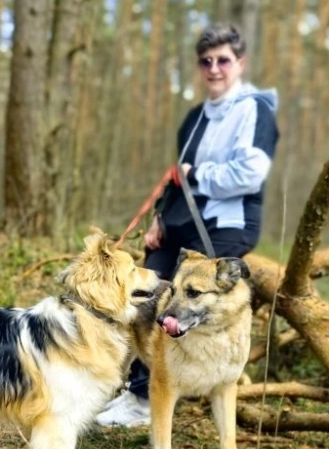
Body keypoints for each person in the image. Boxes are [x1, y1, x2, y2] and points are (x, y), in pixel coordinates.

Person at [96, 23, 280, 427]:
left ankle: (203, 383)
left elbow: (250, 173)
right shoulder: (195, 118)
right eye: (206, 61)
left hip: (226, 225)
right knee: (144, 292)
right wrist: (159, 219)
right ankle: (141, 390)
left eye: (223, 60)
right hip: (180, 223)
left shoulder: (256, 110)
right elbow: (175, 176)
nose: (214, 68)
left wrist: (199, 173)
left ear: (240, 63)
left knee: (196, 299)